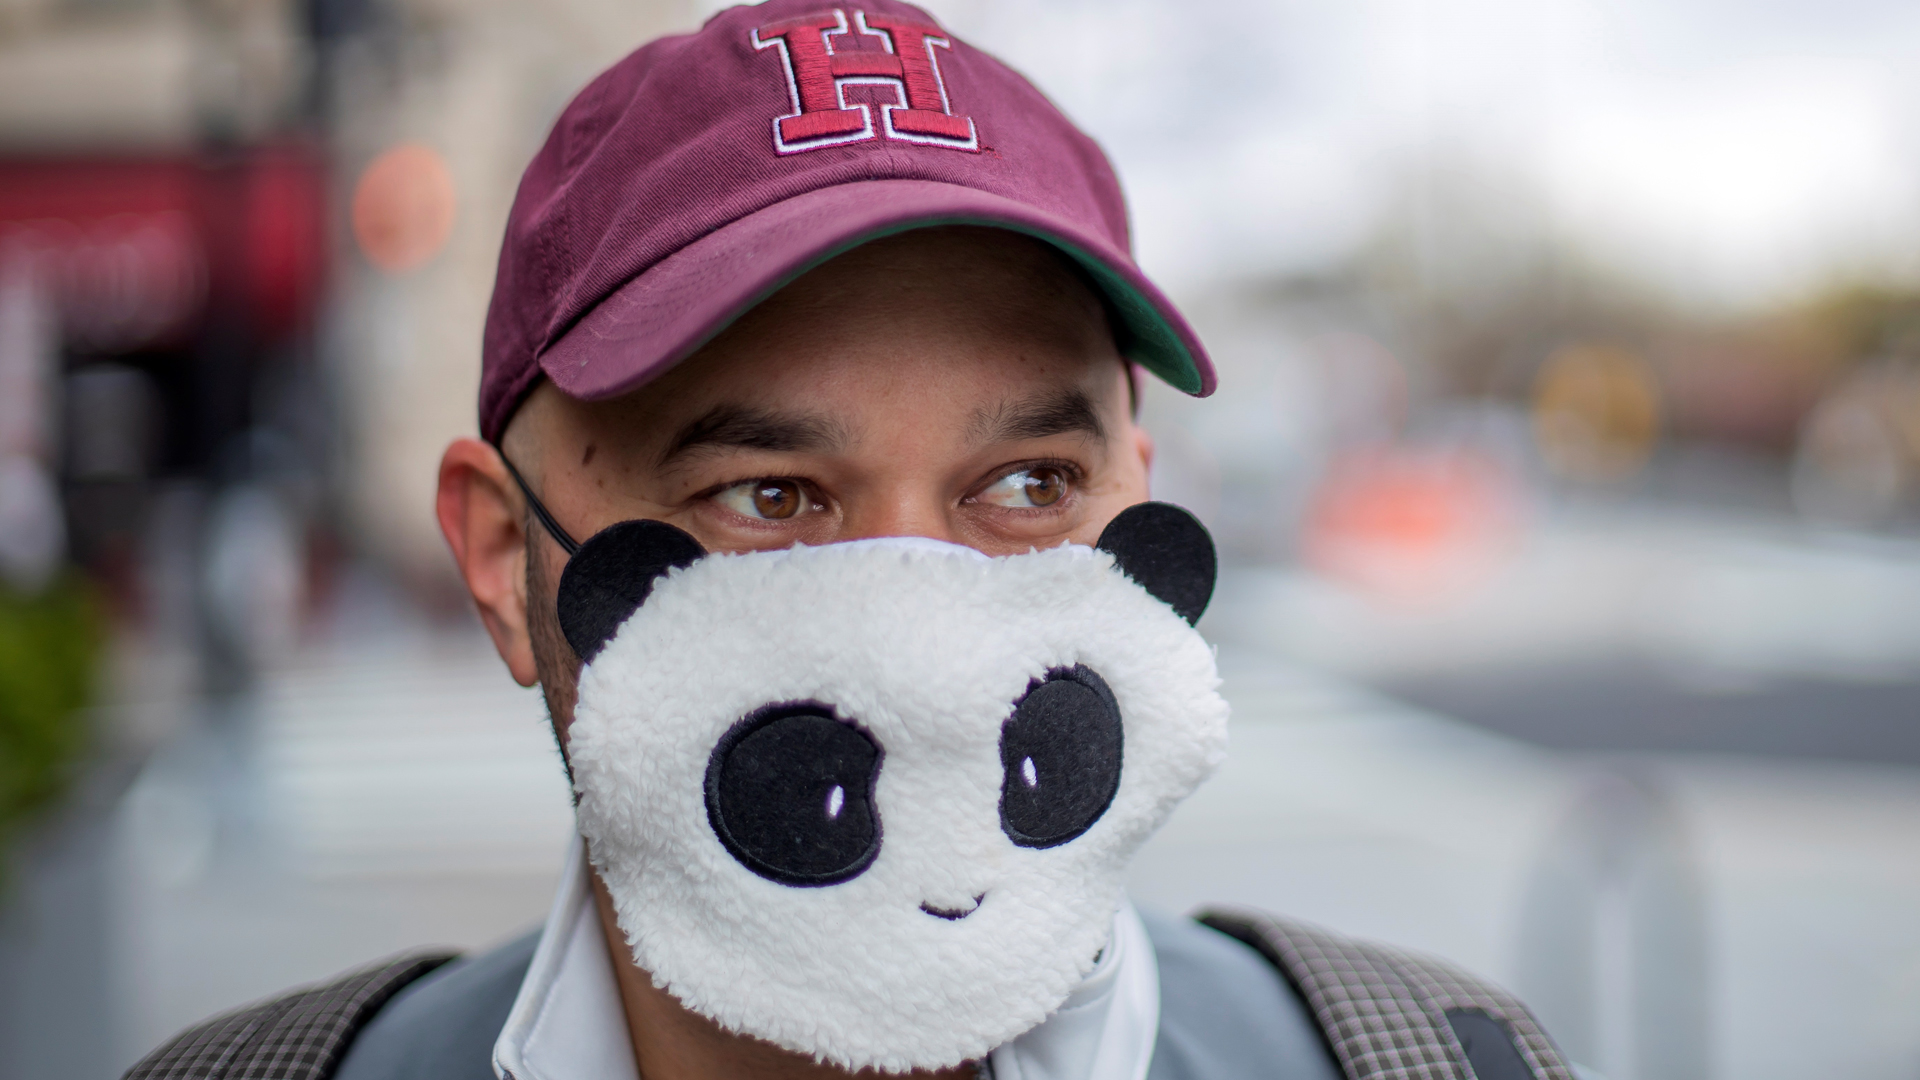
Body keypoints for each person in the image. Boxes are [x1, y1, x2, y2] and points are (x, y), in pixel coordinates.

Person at [125, 4, 1576, 1080]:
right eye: (769, 497)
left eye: (1025, 487)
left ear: (1138, 501)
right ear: (509, 560)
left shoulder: (1442, 1063)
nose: (926, 644)